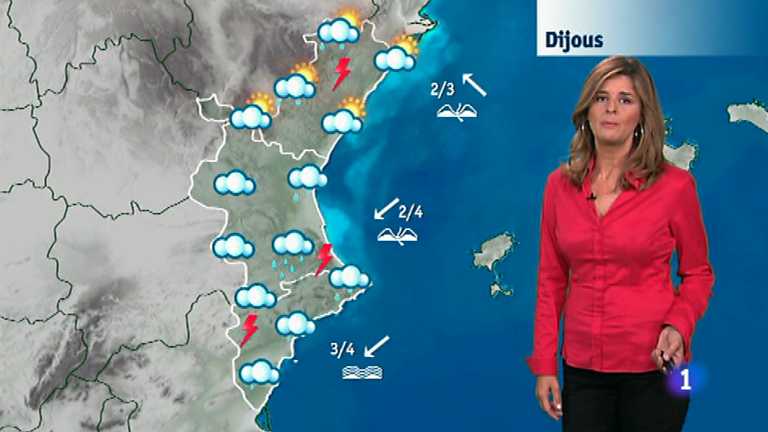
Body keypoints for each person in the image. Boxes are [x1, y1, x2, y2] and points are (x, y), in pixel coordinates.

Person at [526, 55, 715, 431]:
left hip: (655, 371)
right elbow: (551, 281)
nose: (611, 108)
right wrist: (545, 365)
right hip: (582, 372)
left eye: (625, 99)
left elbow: (698, 274)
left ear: (642, 115)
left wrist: (677, 327)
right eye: (601, 98)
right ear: (587, 109)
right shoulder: (558, 187)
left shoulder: (675, 188)